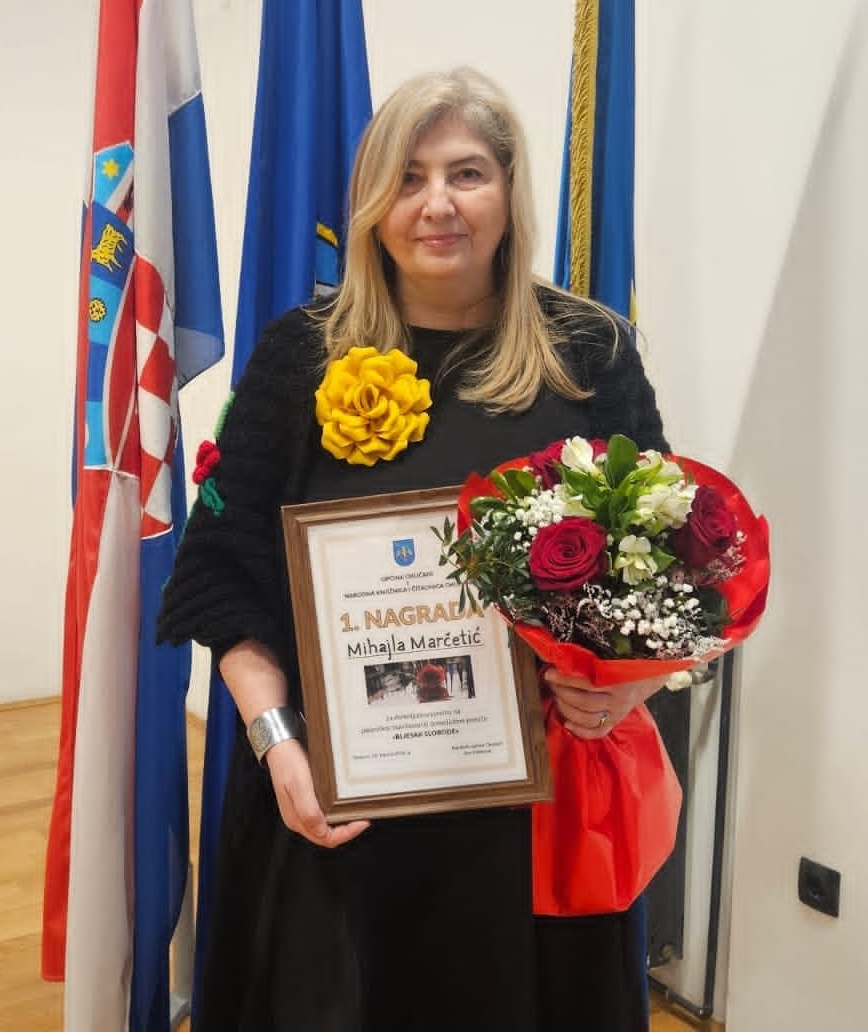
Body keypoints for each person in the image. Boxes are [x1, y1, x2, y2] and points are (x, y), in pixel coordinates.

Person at [157, 67, 670, 1031]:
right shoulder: (300, 357)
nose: (437, 204)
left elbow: (665, 567)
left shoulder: (589, 354)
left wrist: (628, 687)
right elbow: (221, 580)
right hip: (338, 809)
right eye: (408, 177)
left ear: (509, 194)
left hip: (532, 827)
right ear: (372, 205)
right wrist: (275, 745)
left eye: (467, 173)